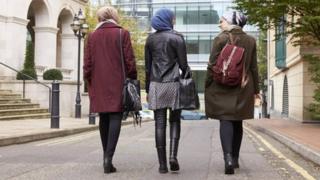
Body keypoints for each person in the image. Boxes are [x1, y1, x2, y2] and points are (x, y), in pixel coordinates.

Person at [83, 6, 137, 174]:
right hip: (118, 82)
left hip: (98, 83)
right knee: (115, 117)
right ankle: (108, 158)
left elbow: (87, 64)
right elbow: (130, 61)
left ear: (100, 18)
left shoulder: (91, 36)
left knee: (103, 118)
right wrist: (132, 77)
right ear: (114, 16)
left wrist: (89, 80)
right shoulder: (122, 33)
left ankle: (105, 157)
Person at [204, 11, 259, 175]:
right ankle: (234, 159)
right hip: (243, 86)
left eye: (222, 21)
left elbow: (212, 64)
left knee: (225, 120)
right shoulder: (250, 41)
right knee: (237, 121)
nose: (219, 24)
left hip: (222, 86)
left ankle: (227, 158)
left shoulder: (220, 39)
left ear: (230, 22)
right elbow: (254, 68)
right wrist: (256, 90)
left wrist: (207, 84)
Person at [145, 8, 189, 174]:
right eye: (173, 18)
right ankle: (173, 156)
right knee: (175, 121)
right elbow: (184, 66)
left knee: (159, 123)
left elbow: (148, 67)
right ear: (168, 19)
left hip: (156, 84)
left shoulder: (150, 40)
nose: (174, 20)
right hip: (174, 84)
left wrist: (147, 88)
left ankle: (162, 165)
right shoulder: (177, 38)